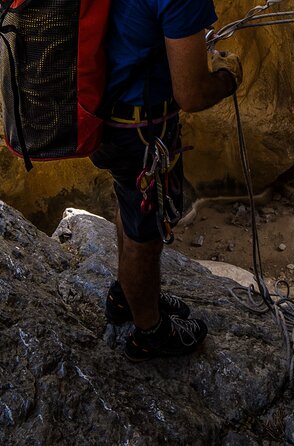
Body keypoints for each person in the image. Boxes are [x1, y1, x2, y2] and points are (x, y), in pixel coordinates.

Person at [90, 0, 243, 362]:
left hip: (102, 117)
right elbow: (190, 93)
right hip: (141, 133)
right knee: (145, 234)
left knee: (129, 204)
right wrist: (227, 77)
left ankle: (127, 296)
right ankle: (150, 332)